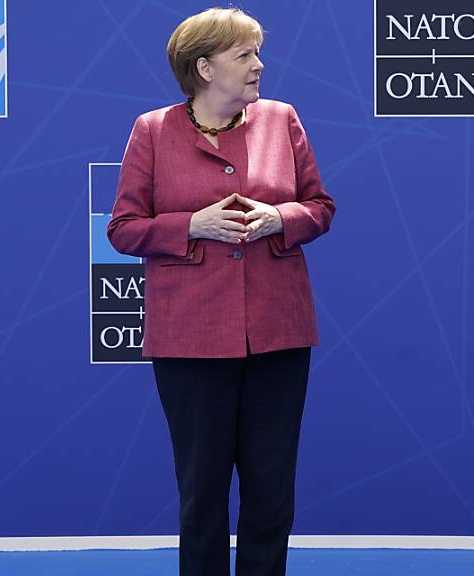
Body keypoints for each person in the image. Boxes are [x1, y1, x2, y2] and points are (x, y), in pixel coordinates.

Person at [107, 7, 336, 575]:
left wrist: (279, 217)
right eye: (245, 56)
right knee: (202, 492)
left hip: (279, 332)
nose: (260, 65)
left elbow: (320, 207)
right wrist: (191, 225)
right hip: (190, 338)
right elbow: (123, 229)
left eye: (257, 53)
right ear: (204, 67)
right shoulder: (152, 130)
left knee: (270, 490)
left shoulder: (282, 119)